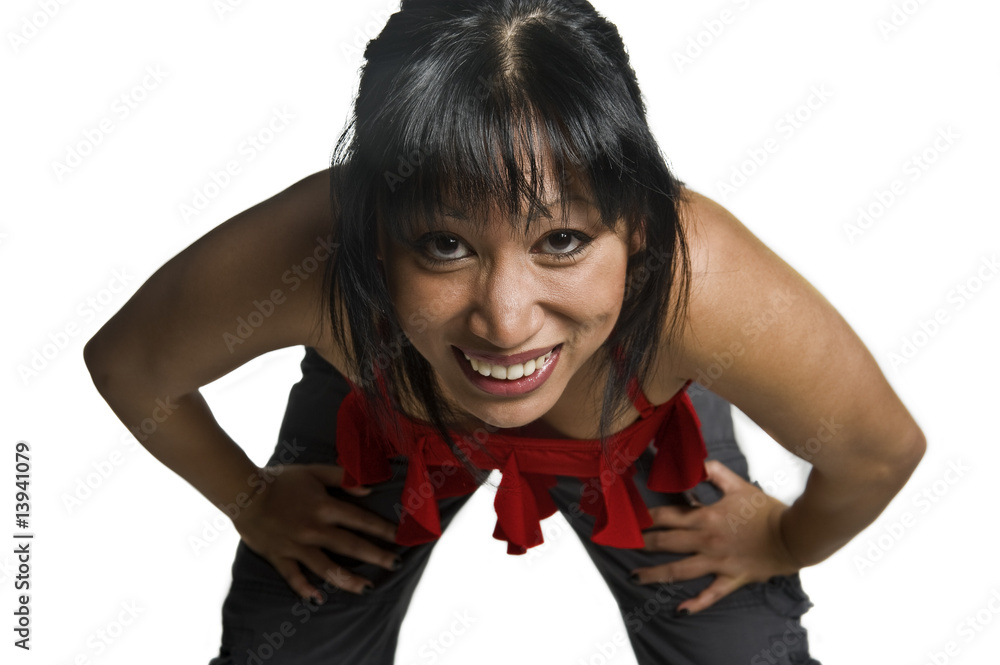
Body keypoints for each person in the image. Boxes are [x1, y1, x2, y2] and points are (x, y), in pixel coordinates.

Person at [83, 1, 926, 663]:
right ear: (373, 232)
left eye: (562, 240)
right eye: (443, 244)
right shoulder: (315, 255)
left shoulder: (698, 288)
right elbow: (129, 366)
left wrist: (784, 537)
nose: (506, 321)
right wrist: (253, 500)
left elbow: (879, 452)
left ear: (638, 224)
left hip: (634, 420)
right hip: (385, 415)